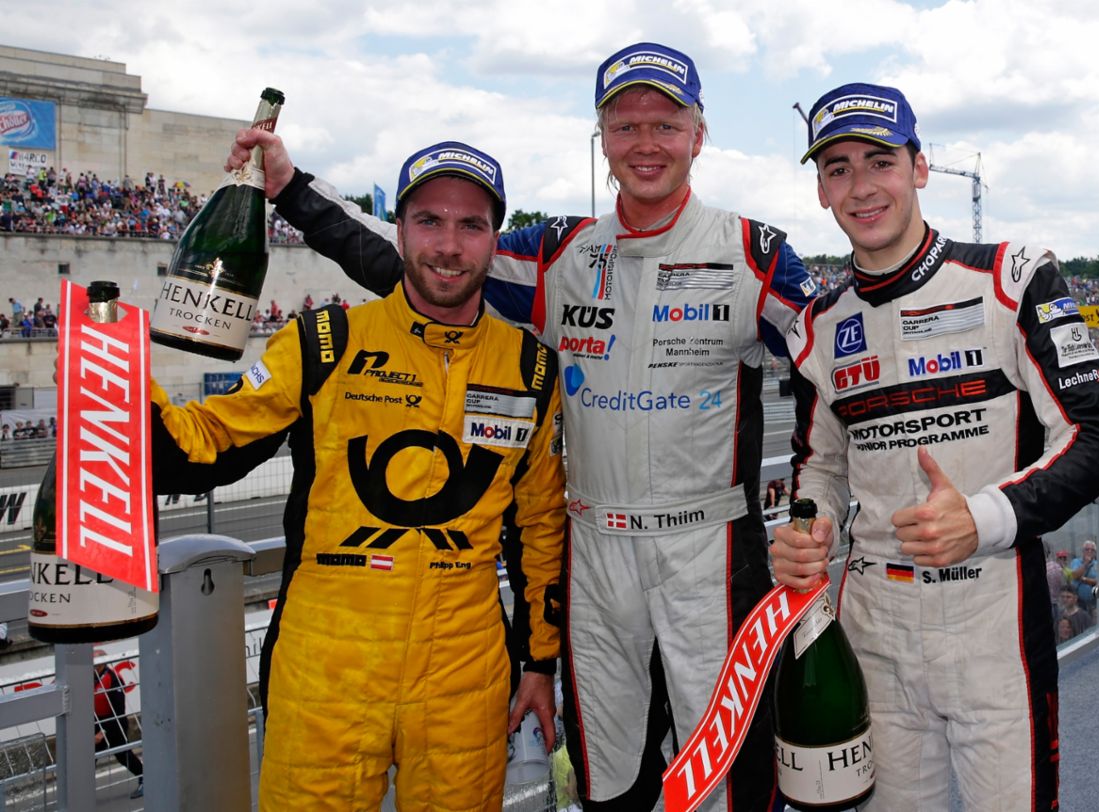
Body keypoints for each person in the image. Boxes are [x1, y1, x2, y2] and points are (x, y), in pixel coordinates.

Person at [224, 42, 814, 811]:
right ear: (601, 139)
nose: (646, 144)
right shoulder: (562, 255)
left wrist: (811, 505)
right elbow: (425, 261)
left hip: (711, 548)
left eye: (665, 125)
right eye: (626, 126)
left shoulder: (753, 254)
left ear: (698, 135)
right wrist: (291, 190)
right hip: (593, 548)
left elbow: (831, 370)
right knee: (610, 770)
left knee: (727, 770)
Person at [151, 142, 567, 810]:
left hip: (464, 680)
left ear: (495, 241)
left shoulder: (531, 371)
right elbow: (204, 447)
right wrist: (118, 379)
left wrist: (539, 664)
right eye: (429, 221)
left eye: (471, 226)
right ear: (398, 231)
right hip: (325, 675)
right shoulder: (326, 342)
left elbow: (540, 532)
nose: (448, 246)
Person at [770, 82, 1099, 811]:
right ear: (819, 189)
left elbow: (1097, 435)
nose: (861, 187)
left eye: (880, 161)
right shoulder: (815, 328)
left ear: (920, 167)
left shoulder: (1013, 277)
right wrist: (808, 526)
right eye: (838, 168)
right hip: (872, 619)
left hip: (992, 609)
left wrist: (985, 516)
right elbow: (822, 466)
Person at [93, 662, 144, 799]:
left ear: (103, 664)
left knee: (123, 755)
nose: (93, 668)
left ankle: (145, 778)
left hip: (115, 723)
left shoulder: (113, 679)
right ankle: (79, 791)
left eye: (96, 665)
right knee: (88, 757)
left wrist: (102, 732)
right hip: (98, 722)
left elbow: (118, 711)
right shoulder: (91, 678)